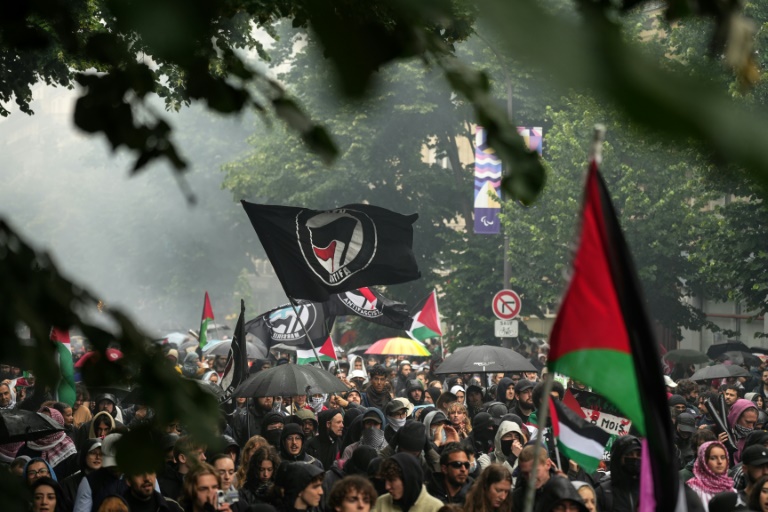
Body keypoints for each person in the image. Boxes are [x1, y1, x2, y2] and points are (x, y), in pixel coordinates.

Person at [17, 407, 79, 480]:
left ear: (57, 423)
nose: (43, 424)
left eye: (48, 420)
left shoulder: (66, 447)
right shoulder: (27, 447)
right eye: (40, 420)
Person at [373, 453, 442, 512]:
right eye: (385, 480)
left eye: (391, 480)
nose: (387, 487)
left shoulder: (435, 508)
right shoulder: (381, 503)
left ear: (407, 479)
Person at [594, 435, 641, 512]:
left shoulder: (649, 490)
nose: (635, 458)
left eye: (638, 455)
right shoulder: (603, 493)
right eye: (629, 454)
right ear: (618, 457)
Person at [685, 441, 735, 511]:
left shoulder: (730, 487)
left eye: (723, 457)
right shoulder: (692, 489)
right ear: (703, 461)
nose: (720, 462)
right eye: (713, 458)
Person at [510, 445, 553, 512]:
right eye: (525, 473)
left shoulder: (562, 491)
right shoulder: (516, 498)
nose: (530, 478)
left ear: (548, 464)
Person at [60, 438, 102, 504]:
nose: (98, 457)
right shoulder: (68, 485)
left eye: (101, 453)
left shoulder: (109, 482)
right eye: (93, 453)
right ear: (84, 455)